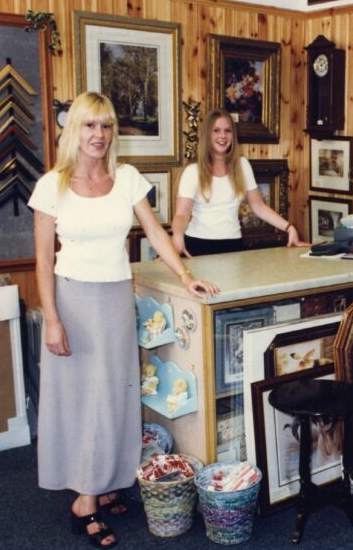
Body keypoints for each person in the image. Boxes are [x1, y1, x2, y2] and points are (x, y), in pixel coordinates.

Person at [28, 92, 219, 548]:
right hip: (71, 300)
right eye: (90, 126)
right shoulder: (51, 185)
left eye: (107, 126)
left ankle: (107, 478)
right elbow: (41, 261)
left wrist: (185, 275)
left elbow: (154, 230)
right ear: (74, 130)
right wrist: (52, 320)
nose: (99, 135)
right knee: (82, 401)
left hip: (115, 298)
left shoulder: (128, 178)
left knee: (115, 396)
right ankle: (84, 501)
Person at [171, 108, 309, 256]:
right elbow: (182, 214)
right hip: (198, 246)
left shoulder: (242, 165)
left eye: (228, 131)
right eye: (216, 130)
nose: (222, 136)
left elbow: (259, 206)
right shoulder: (193, 170)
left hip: (233, 245)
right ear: (207, 135)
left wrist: (289, 228)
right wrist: (177, 236)